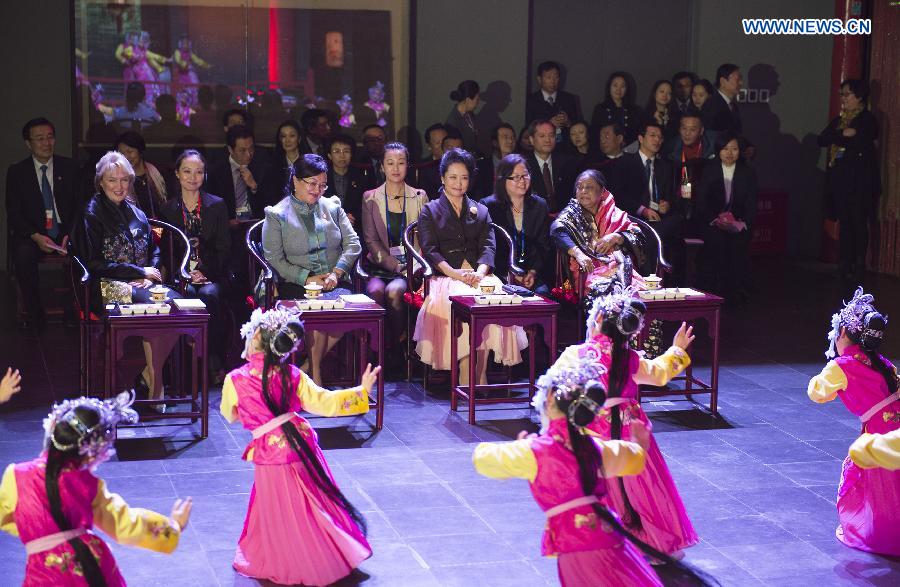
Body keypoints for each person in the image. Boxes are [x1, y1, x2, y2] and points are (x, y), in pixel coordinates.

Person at [474, 352, 712, 587]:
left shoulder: (537, 451)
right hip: (610, 536)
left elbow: (483, 459)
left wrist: (520, 447)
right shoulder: (593, 447)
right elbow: (633, 459)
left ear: (549, 400)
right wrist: (640, 444)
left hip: (576, 546)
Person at [221, 308, 378, 585]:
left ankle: (294, 560)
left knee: (281, 509)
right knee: (312, 503)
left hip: (271, 451)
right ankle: (329, 554)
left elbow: (229, 414)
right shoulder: (292, 374)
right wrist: (360, 392)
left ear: (255, 338)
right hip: (300, 444)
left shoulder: (235, 380)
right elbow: (325, 403)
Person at [555, 291, 700, 557]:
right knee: (642, 486)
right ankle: (652, 542)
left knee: (599, 485)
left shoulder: (576, 354)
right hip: (630, 428)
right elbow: (659, 374)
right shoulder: (629, 358)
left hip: (593, 428)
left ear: (598, 319)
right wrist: (677, 350)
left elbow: (554, 387)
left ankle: (602, 541)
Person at [0, 393, 192, 586]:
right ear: (91, 453)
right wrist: (172, 527)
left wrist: (37, 531)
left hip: (45, 573)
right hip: (91, 567)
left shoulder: (16, 476)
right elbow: (125, 525)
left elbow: (5, 517)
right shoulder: (87, 484)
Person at [74, 151, 183, 409]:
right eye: (112, 180)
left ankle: (148, 376)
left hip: (141, 284)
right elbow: (93, 263)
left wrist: (148, 272)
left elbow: (155, 250)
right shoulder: (91, 213)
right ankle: (156, 387)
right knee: (157, 308)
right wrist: (137, 271)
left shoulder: (136, 212)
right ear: (101, 182)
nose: (119, 186)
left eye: (124, 180)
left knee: (177, 306)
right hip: (104, 286)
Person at [413, 148, 527, 384]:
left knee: (492, 299)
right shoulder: (429, 210)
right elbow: (430, 250)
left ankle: (480, 371)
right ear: (442, 178)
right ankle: (466, 370)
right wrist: (455, 274)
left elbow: (488, 247)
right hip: (445, 277)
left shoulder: (481, 210)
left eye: (464, 178)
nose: (459, 183)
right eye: (453, 177)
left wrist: (480, 273)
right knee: (463, 302)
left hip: (478, 276)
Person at [807, 287, 900, 556]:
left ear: (843, 333)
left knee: (883, 484)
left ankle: (885, 535)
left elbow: (817, 393)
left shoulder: (843, 366)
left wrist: (830, 372)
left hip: (880, 432)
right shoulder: (882, 362)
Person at [262, 154, 361, 385]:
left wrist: (337, 272)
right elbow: (274, 259)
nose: (318, 191)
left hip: (333, 281)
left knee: (343, 310)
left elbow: (353, 244)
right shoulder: (277, 214)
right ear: (295, 180)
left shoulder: (332, 206)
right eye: (312, 184)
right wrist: (306, 278)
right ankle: (316, 377)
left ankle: (304, 371)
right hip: (296, 284)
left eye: (322, 185)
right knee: (317, 312)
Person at [159, 150, 231, 383]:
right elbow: (165, 251)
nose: (193, 177)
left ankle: (212, 358)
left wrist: (204, 271)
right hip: (181, 275)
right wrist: (185, 273)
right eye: (187, 171)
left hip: (212, 273)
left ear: (205, 175)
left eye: (198, 172)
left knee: (209, 295)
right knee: (187, 293)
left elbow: (224, 248)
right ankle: (186, 365)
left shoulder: (217, 205)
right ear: (177, 174)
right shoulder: (167, 209)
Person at [6, 118, 83, 329]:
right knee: (23, 255)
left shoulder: (70, 167)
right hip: (33, 233)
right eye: (39, 138)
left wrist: (70, 233)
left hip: (64, 230)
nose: (46, 143)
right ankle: (35, 315)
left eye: (50, 137)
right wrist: (36, 236)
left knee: (83, 250)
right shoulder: (17, 172)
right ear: (28, 143)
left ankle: (74, 311)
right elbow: (14, 214)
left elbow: (81, 206)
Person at [361, 142, 427, 356]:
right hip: (380, 265)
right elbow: (371, 240)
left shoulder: (419, 196)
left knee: (395, 291)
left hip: (411, 267)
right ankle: (378, 347)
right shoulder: (370, 197)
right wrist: (395, 265)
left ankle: (398, 343)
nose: (395, 168)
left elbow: (425, 238)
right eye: (390, 163)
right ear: (382, 167)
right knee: (375, 290)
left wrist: (412, 266)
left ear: (408, 165)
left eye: (401, 162)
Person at [551, 170, 647, 308]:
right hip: (586, 272)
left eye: (589, 187)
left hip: (619, 268)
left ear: (602, 191)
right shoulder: (571, 214)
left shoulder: (614, 213)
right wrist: (578, 253)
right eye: (579, 187)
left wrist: (616, 237)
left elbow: (638, 236)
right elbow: (556, 230)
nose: (583, 191)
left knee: (636, 294)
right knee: (609, 295)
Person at [816, 79, 880, 281]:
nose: (843, 98)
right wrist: (842, 133)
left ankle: (859, 264)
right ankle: (844, 263)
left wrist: (841, 136)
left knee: (858, 221)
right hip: (841, 180)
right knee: (845, 222)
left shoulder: (867, 119)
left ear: (859, 96)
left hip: (860, 181)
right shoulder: (840, 120)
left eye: (847, 94)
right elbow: (822, 138)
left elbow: (861, 140)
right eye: (841, 94)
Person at [612, 122, 684, 282]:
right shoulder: (626, 162)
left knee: (676, 222)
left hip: (660, 218)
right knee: (651, 232)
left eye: (660, 137)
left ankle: (664, 279)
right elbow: (620, 196)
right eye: (652, 135)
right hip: (636, 216)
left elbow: (672, 196)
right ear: (641, 138)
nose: (657, 140)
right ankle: (650, 277)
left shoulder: (666, 166)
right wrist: (643, 210)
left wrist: (667, 204)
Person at [695, 131, 757, 304]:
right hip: (712, 221)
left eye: (734, 149)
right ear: (718, 150)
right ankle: (715, 290)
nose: (729, 153)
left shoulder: (747, 172)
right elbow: (701, 201)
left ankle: (736, 291)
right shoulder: (709, 170)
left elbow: (752, 203)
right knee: (718, 241)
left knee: (738, 243)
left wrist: (743, 223)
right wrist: (715, 220)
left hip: (737, 222)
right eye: (725, 148)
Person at [482, 154, 551, 293]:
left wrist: (532, 272)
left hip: (529, 273)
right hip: (499, 273)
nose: (522, 181)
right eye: (516, 177)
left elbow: (543, 245)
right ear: (503, 179)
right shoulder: (489, 206)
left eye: (525, 175)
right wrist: (512, 273)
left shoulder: (540, 205)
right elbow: (488, 247)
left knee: (542, 293)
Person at [205, 125, 272, 221]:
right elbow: (211, 205)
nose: (248, 154)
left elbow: (270, 203)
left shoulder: (262, 166)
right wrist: (226, 221)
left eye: (251, 148)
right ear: (230, 149)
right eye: (242, 150)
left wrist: (254, 187)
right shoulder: (216, 171)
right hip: (227, 223)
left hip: (255, 221)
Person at [524, 119, 576, 213]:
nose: (547, 140)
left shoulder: (567, 162)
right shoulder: (524, 165)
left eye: (551, 135)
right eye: (542, 136)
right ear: (531, 140)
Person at [115, 130, 170, 218]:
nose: (126, 157)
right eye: (121, 153)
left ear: (140, 151)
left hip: (161, 224)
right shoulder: (118, 180)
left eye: (130, 151)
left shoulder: (158, 173)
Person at [524, 61, 582, 145]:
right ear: (539, 79)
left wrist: (568, 122)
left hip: (565, 145)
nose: (553, 81)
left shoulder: (569, 99)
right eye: (549, 77)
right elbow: (528, 128)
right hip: (541, 145)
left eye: (556, 77)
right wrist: (549, 123)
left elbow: (578, 125)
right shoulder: (531, 100)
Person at [324, 134, 366, 228]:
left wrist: (350, 218)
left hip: (354, 227)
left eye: (346, 151)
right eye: (336, 151)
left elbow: (365, 207)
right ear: (329, 155)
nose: (342, 155)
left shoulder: (361, 177)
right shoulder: (322, 178)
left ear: (351, 154)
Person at [590, 72, 641, 145]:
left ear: (627, 89)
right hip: (605, 149)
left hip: (629, 149)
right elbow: (594, 134)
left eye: (622, 86)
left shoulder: (634, 110)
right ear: (609, 87)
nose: (618, 89)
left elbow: (637, 134)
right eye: (615, 85)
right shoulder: (600, 109)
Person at [701, 63, 743, 134]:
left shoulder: (734, 106)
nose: (741, 83)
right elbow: (709, 134)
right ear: (723, 81)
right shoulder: (711, 105)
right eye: (738, 79)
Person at [446, 80, 481, 153]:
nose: (478, 102)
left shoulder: (470, 115)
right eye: (477, 99)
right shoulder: (453, 121)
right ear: (468, 100)